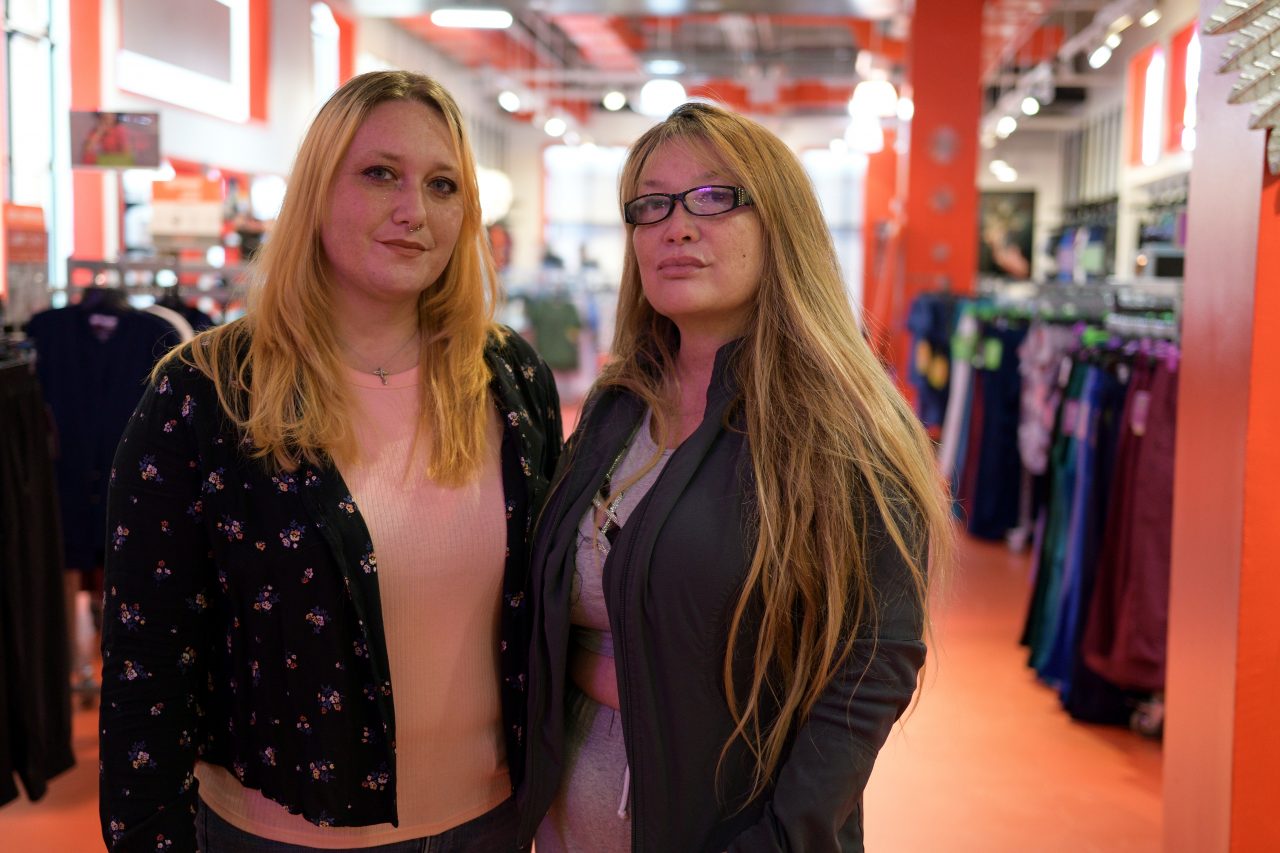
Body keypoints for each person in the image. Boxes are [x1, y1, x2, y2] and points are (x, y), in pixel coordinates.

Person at [98, 70, 562, 852]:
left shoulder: (508, 376)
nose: (415, 211)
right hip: (280, 834)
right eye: (380, 173)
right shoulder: (208, 391)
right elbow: (148, 654)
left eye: (443, 185)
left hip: (492, 822)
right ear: (316, 191)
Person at [519, 102, 954, 852]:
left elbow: (872, 663)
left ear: (780, 224)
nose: (677, 226)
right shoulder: (618, 403)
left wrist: (782, 839)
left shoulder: (843, 425)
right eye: (651, 204)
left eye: (714, 197)